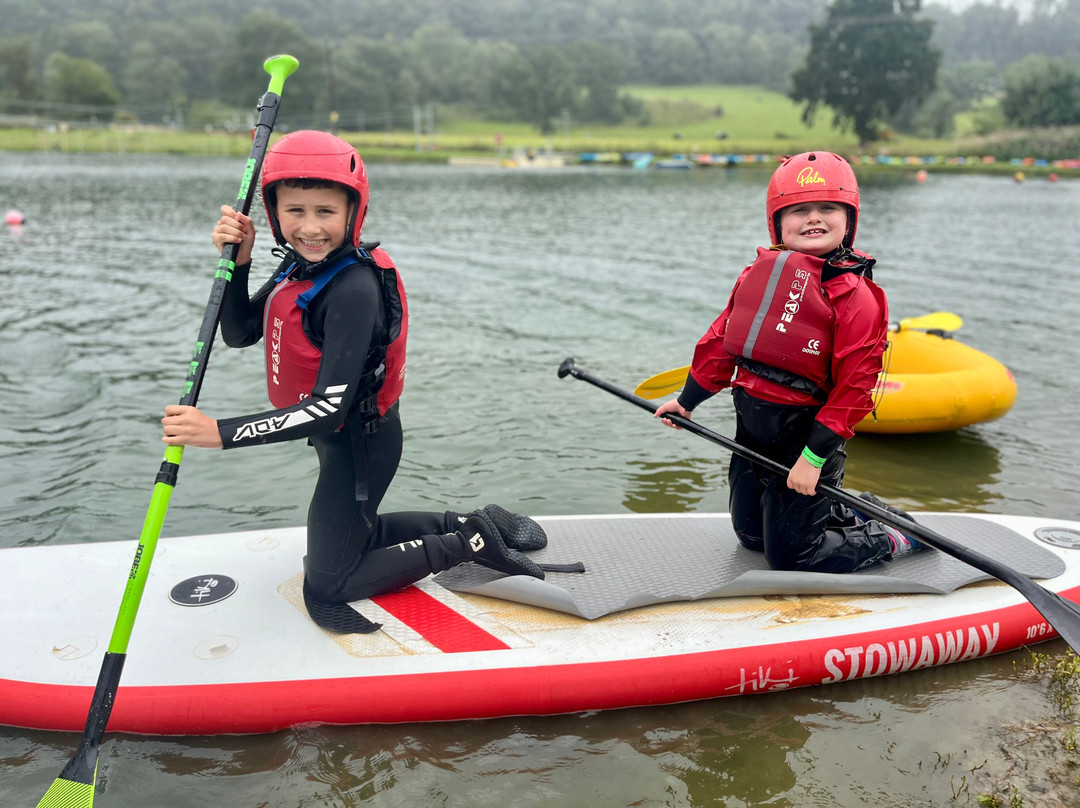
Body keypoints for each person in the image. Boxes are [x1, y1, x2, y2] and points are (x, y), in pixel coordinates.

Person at [161, 130, 545, 632]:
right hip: (334, 442)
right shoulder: (299, 269)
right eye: (294, 211)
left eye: (325, 212)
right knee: (350, 537)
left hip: (358, 444)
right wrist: (240, 260)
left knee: (328, 585)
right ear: (274, 215)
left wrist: (222, 433)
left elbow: (330, 408)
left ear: (353, 212)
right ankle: (472, 522)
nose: (310, 227)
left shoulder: (352, 289)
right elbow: (238, 332)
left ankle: (469, 544)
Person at [654, 151, 924, 573]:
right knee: (751, 538)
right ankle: (848, 508)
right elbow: (721, 342)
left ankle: (890, 535)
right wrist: (687, 401)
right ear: (778, 222)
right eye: (799, 210)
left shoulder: (856, 296)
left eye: (828, 208)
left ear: (848, 219)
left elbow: (855, 387)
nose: (814, 218)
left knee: (794, 557)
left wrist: (814, 460)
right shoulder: (754, 278)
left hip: (808, 441)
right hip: (752, 433)